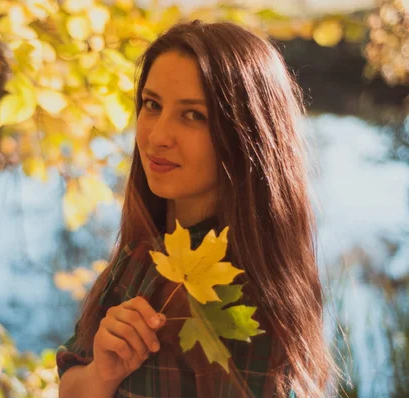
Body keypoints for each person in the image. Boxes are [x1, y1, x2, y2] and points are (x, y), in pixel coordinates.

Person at [57, 20, 336, 398]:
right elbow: (71, 388)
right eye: (152, 105)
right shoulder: (138, 257)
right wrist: (101, 376)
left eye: (193, 115)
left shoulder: (246, 299)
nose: (157, 137)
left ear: (245, 135)